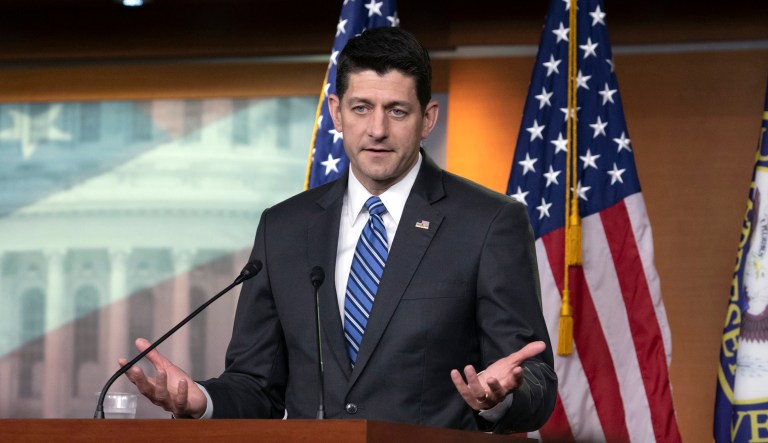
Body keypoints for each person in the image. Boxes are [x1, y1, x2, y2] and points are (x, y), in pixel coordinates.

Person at [121, 27, 557, 433]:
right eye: (361, 108)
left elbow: (534, 377)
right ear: (336, 112)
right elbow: (257, 384)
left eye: (397, 111)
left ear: (427, 119)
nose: (377, 130)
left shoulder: (488, 222)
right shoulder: (283, 228)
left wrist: (500, 397)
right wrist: (203, 401)